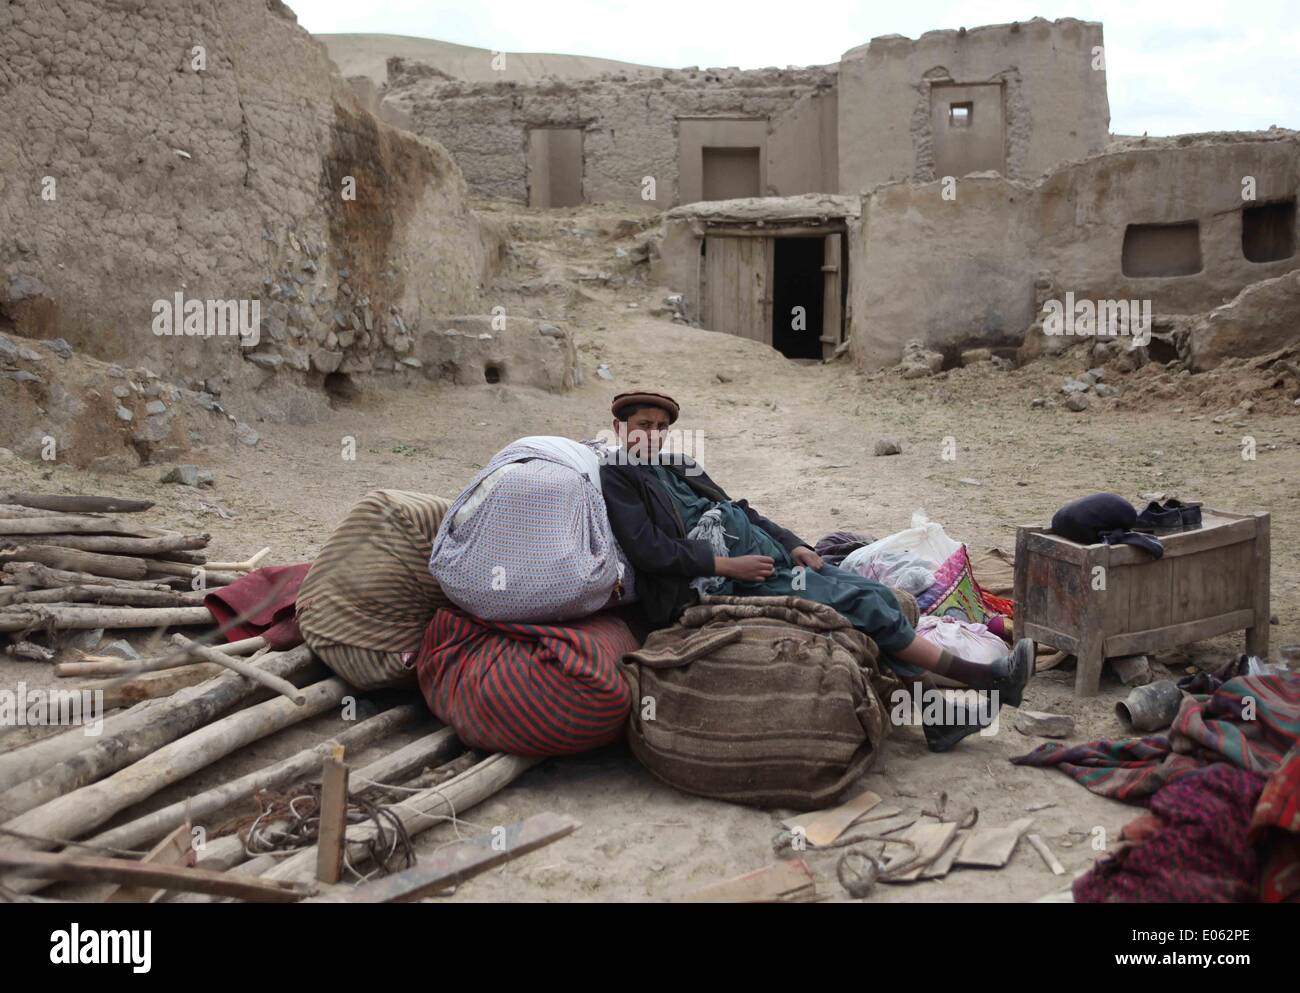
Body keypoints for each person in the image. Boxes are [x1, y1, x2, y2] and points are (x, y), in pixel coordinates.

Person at [597, 389, 1032, 752]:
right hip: (714, 580)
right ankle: (984, 677)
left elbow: (739, 510)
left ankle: (938, 718)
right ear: (621, 429)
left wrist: (794, 543)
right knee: (861, 603)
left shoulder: (680, 465)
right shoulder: (620, 475)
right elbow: (650, 551)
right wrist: (729, 564)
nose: (652, 435)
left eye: (660, 426)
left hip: (767, 557)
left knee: (875, 593)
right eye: (642, 426)